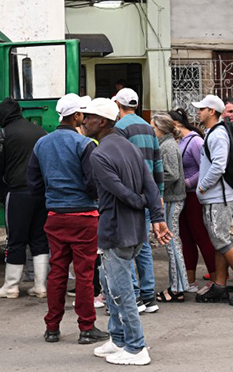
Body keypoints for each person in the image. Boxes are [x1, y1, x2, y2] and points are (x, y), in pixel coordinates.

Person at [83, 98, 170, 366]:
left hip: (116, 229)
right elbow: (152, 184)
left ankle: (136, 347)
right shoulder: (130, 148)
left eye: (89, 117)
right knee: (110, 286)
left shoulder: (99, 154)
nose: (84, 121)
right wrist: (155, 215)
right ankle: (118, 338)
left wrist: (143, 204)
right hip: (134, 228)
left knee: (121, 292)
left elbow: (119, 191)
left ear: (103, 122)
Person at [27, 94, 107, 346]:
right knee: (84, 274)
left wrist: (52, 197)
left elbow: (34, 183)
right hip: (83, 216)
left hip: (55, 215)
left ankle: (52, 327)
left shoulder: (42, 144)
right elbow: (93, 184)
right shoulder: (85, 144)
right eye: (82, 113)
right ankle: (86, 327)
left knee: (57, 272)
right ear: (76, 117)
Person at [192, 94, 233, 306]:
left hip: (218, 197)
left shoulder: (217, 135)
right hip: (216, 196)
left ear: (212, 111)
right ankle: (220, 286)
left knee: (222, 241)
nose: (198, 112)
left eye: (201, 109)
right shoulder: (213, 132)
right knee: (220, 241)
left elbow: (219, 165)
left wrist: (202, 186)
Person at [0, 97, 50, 299]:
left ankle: (11, 286)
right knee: (40, 238)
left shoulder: (4, 134)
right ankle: (40, 286)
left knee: (15, 239)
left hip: (17, 193)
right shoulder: (40, 132)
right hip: (41, 193)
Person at [111, 87, 162, 314]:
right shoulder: (148, 127)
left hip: (130, 196)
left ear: (118, 105)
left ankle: (134, 296)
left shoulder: (120, 128)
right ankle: (149, 296)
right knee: (143, 246)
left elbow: (121, 162)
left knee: (127, 245)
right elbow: (158, 164)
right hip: (148, 194)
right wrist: (157, 194)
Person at [168, 108, 216, 293]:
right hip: (182, 196)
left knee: (200, 235)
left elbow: (204, 168)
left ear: (175, 124)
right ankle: (190, 279)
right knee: (185, 237)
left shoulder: (195, 141)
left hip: (195, 195)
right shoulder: (178, 141)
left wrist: (186, 182)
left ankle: (215, 277)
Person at [151, 113, 188, 302]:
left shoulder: (167, 146)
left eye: (153, 127)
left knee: (172, 242)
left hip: (174, 198)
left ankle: (177, 288)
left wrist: (152, 180)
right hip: (173, 198)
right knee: (172, 242)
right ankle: (178, 286)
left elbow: (171, 174)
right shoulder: (167, 144)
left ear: (160, 129)